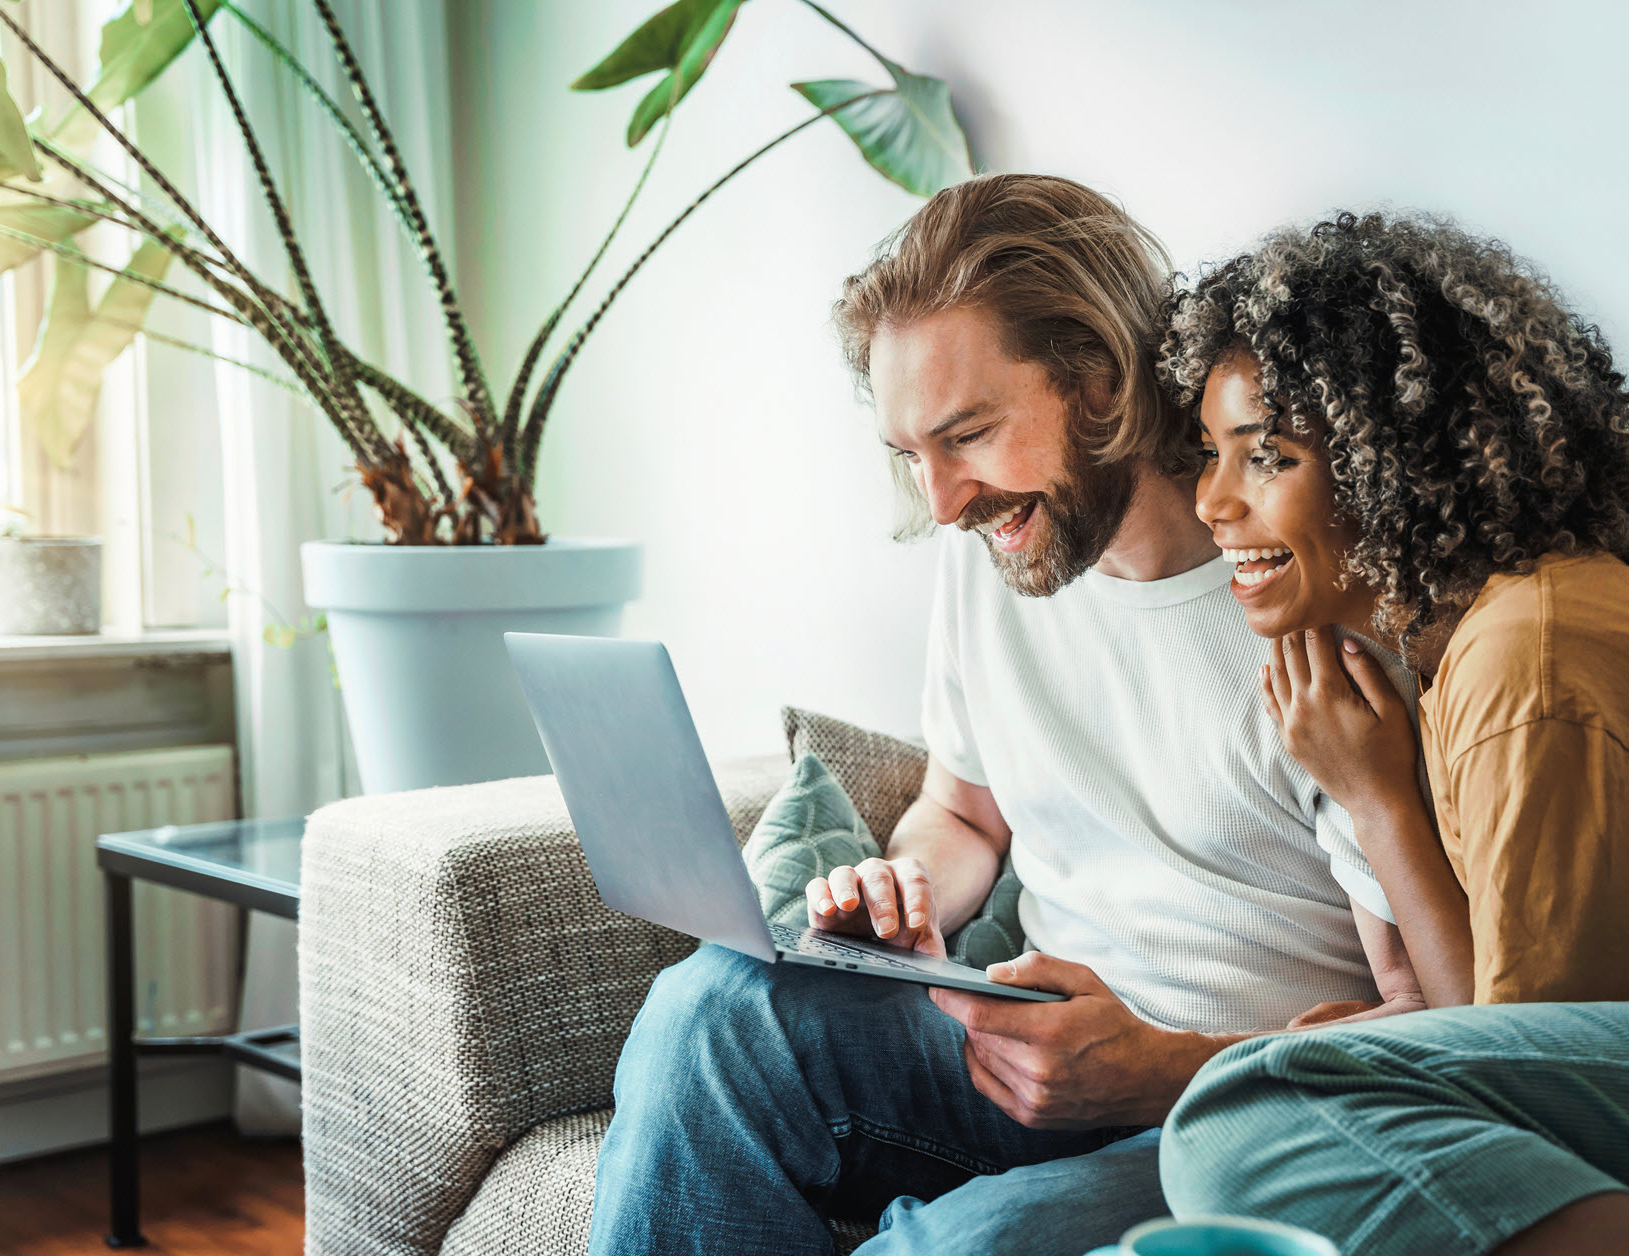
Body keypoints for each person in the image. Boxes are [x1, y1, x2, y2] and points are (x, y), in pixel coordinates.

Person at [586, 176, 1429, 1256]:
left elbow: (1424, 1018)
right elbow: (967, 811)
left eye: (969, 434)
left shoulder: (1307, 602)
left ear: (1100, 381)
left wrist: (1163, 1060)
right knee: (715, 1011)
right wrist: (905, 896)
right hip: (1020, 1056)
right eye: (910, 455)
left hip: (1228, 1111)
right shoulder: (1001, 553)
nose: (942, 501)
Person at [1156, 210, 1629, 1256]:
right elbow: (1516, 1035)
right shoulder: (1474, 646)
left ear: (1391, 458)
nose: (1211, 501)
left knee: (1250, 1108)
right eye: (1210, 456)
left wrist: (1379, 801)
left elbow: (1505, 1053)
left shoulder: (1531, 657)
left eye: (1266, 458)